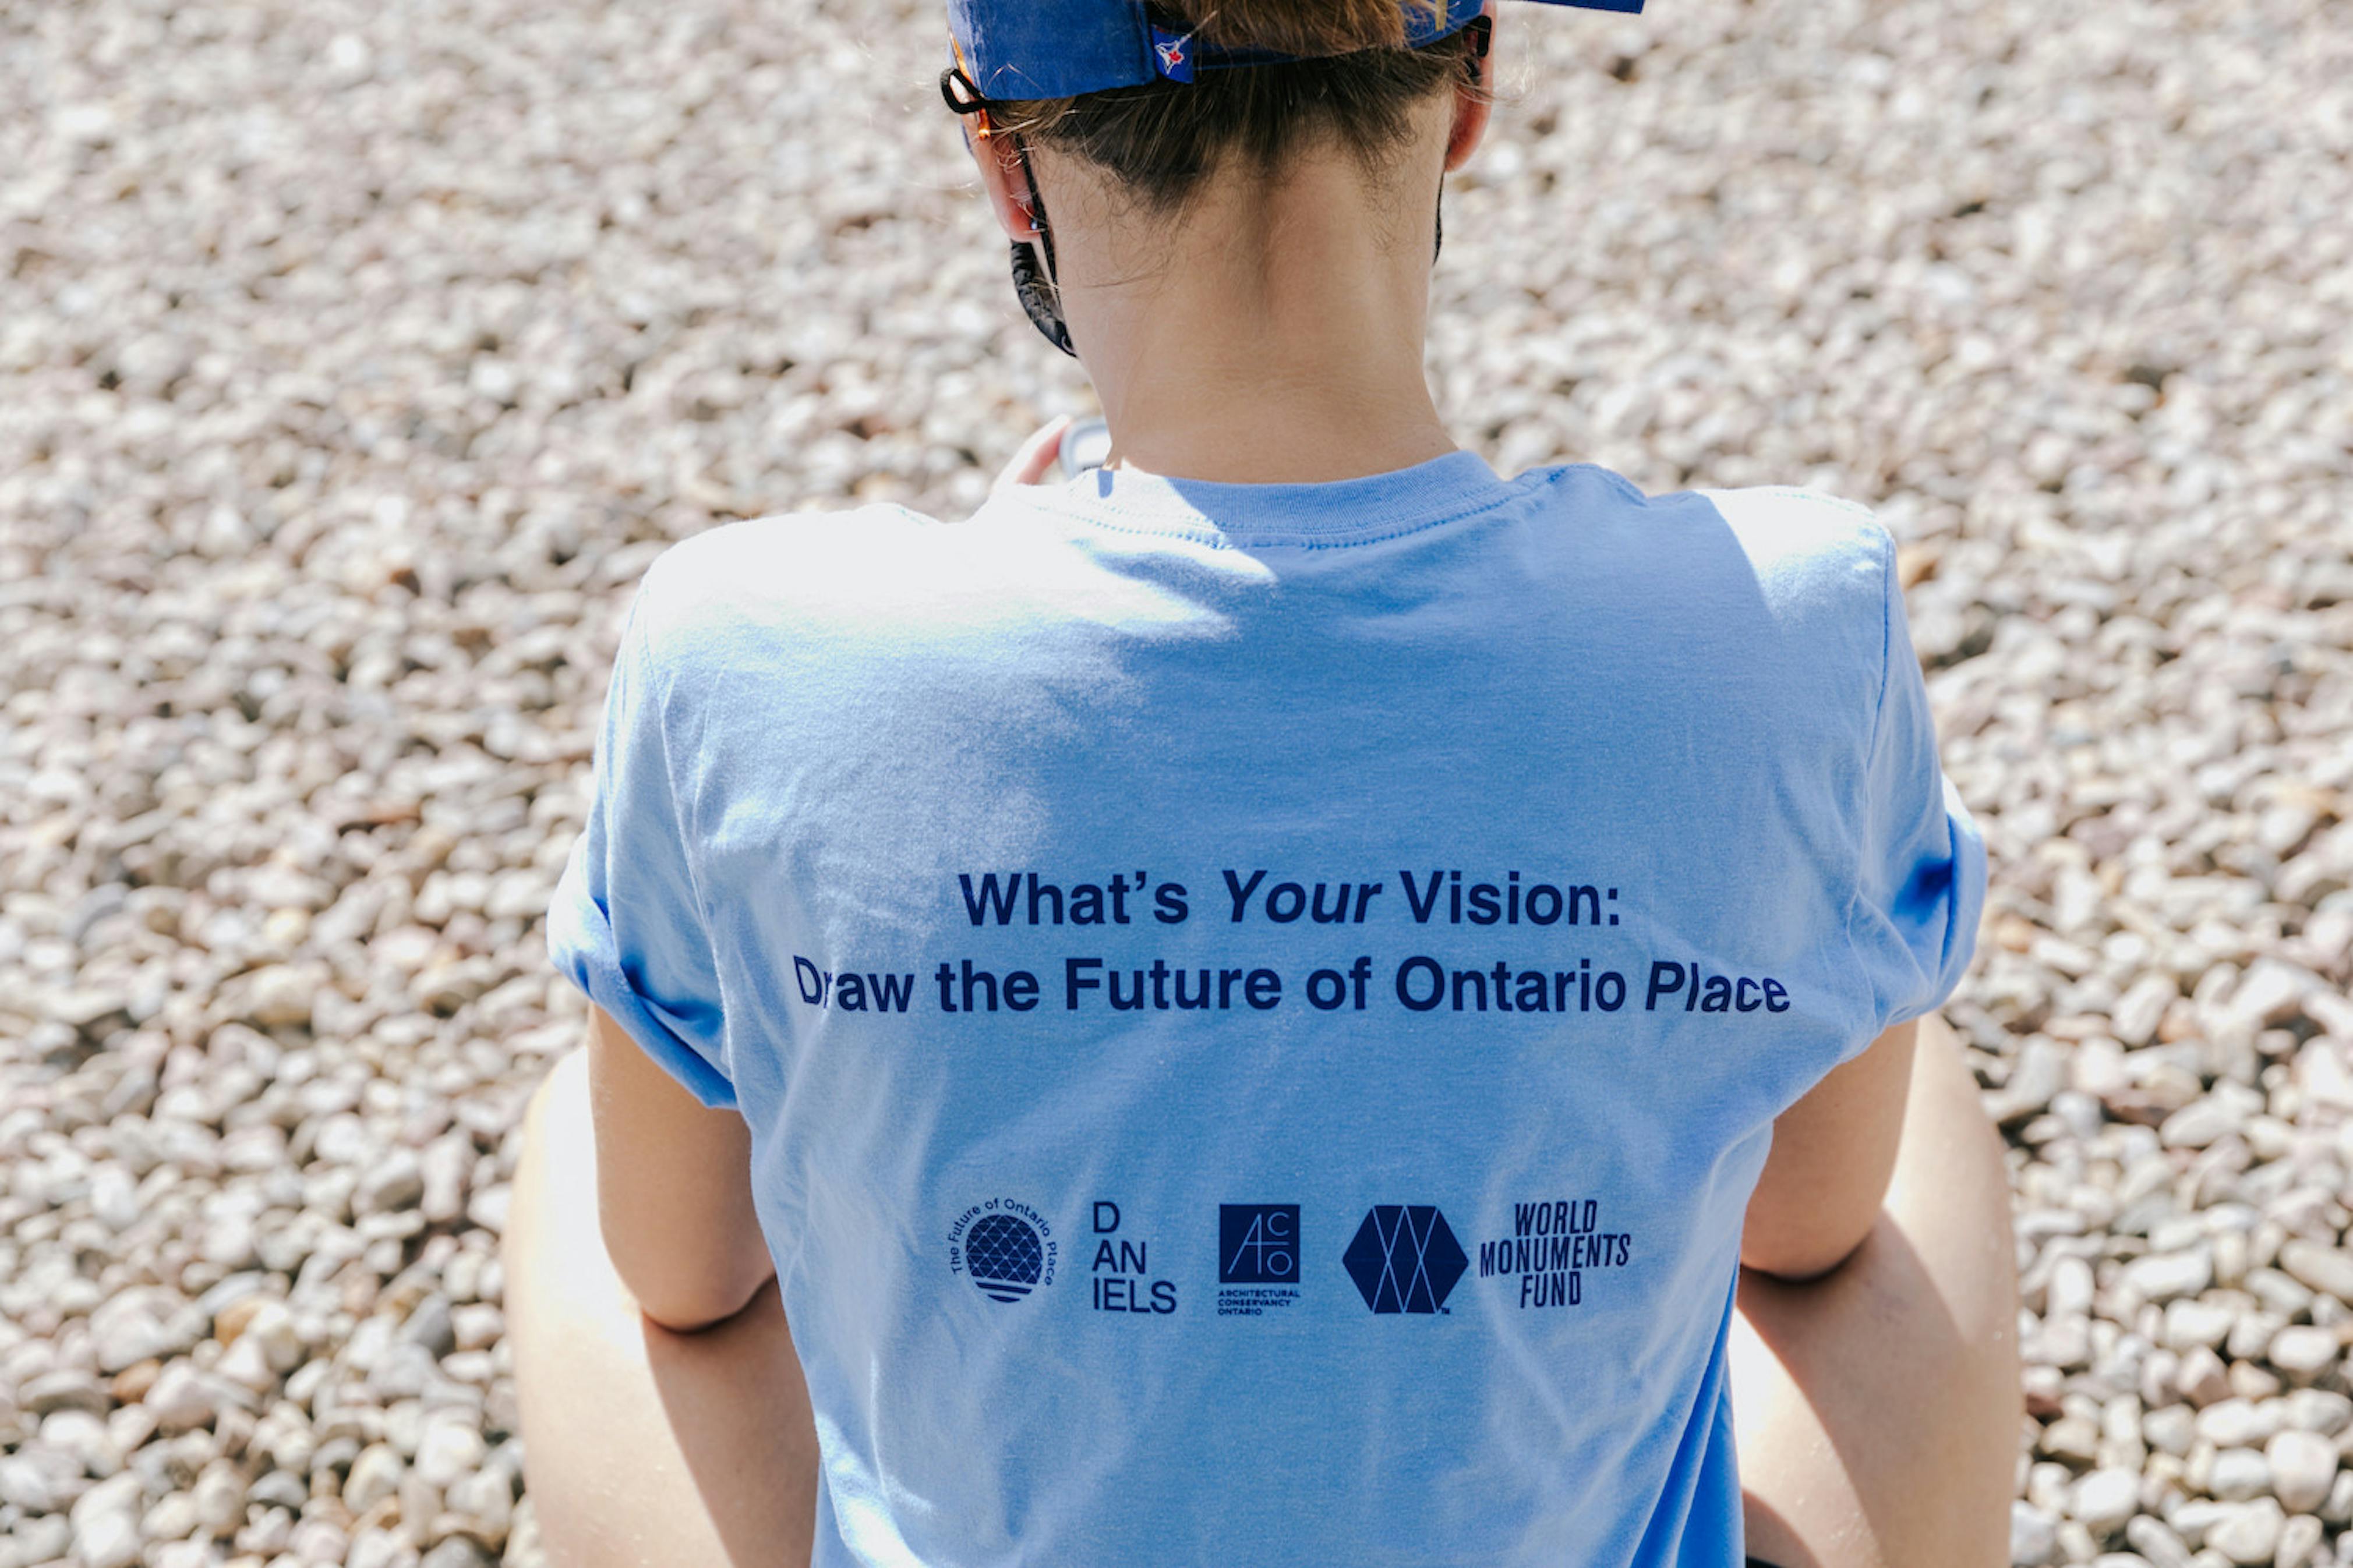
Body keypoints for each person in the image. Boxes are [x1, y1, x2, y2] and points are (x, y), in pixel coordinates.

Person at [501, 2, 2021, 1564]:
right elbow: (1810, 1230)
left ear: (1007, 169)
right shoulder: (1785, 621)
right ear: (1469, 97)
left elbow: (686, 1274)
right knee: (1894, 1020)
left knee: (609, 1104)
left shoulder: (744, 649)